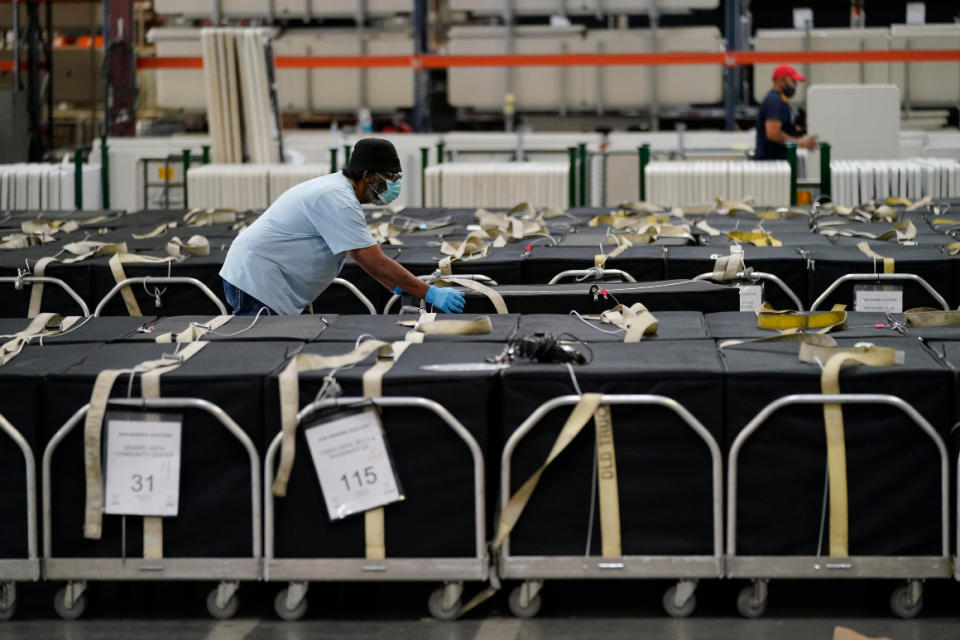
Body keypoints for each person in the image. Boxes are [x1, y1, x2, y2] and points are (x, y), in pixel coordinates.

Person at [219, 138, 465, 316]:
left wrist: (398, 285)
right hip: (258, 282)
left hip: (268, 282)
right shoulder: (338, 200)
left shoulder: (339, 192)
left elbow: (360, 255)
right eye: (389, 178)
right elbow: (374, 259)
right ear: (367, 176)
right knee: (266, 355)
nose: (394, 185)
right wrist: (429, 293)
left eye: (397, 179)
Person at [754, 64, 819, 160]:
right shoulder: (774, 100)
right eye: (793, 81)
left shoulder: (781, 101)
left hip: (778, 162)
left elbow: (784, 130)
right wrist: (800, 143)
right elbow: (773, 133)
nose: (795, 85)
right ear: (782, 80)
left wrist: (801, 131)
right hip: (770, 163)